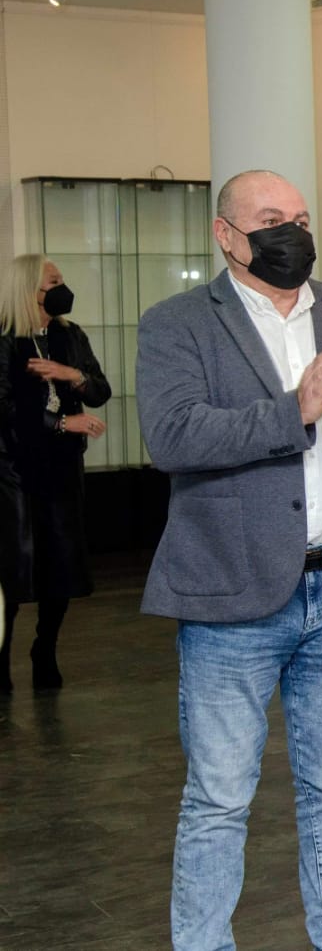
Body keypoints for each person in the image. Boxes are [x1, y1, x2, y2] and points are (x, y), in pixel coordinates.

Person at [137, 169, 322, 951]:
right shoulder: (176, 324)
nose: (291, 232)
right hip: (230, 592)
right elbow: (172, 436)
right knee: (219, 798)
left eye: (300, 217)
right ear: (226, 235)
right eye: (271, 219)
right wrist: (291, 412)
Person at [0, 255, 110, 692]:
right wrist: (61, 423)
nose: (63, 288)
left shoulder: (70, 335)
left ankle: (45, 649)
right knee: (13, 569)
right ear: (30, 290)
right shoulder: (5, 340)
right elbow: (4, 409)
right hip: (13, 473)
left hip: (62, 469)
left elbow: (99, 390)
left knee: (61, 565)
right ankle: (1, 657)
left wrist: (73, 376)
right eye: (54, 281)